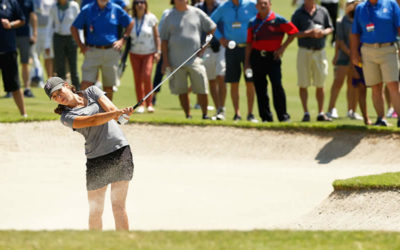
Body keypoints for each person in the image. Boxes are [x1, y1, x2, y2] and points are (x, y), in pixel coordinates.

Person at [44, 76, 134, 230]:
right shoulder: (66, 117)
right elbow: (92, 120)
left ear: (67, 85)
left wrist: (124, 115)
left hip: (120, 151)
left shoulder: (92, 91)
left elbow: (114, 113)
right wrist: (116, 115)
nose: (60, 97)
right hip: (96, 159)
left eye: (59, 91)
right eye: (55, 97)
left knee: (118, 207)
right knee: (95, 210)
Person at [160, 0, 216, 119]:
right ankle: (188, 115)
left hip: (194, 59)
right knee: (182, 90)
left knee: (202, 87)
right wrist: (165, 61)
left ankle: (205, 115)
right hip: (175, 60)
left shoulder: (197, 12)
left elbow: (212, 27)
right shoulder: (168, 15)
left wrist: (204, 46)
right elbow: (164, 40)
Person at [245, 0, 298, 123]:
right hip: (257, 57)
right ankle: (266, 117)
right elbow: (249, 43)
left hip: (273, 58)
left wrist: (282, 48)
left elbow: (293, 32)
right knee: (260, 88)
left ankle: (283, 116)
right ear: (256, 6)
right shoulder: (252, 22)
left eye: (265, 3)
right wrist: (247, 62)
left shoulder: (279, 20)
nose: (263, 5)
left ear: (270, 5)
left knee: (277, 86)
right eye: (260, 3)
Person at [71, 0, 134, 101]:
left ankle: (107, 114)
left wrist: (123, 40)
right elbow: (74, 27)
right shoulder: (88, 9)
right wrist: (81, 46)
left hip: (111, 51)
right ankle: (83, 112)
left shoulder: (115, 9)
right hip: (92, 50)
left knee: (108, 86)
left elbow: (130, 22)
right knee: (86, 83)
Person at [351, 0, 400, 127]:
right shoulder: (360, 8)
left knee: (393, 84)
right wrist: (354, 54)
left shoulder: (391, 4)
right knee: (375, 86)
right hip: (368, 50)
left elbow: (399, 26)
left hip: (388, 49)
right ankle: (381, 118)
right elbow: (355, 32)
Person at [211, 0, 259, 122]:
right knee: (234, 82)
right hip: (232, 49)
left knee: (250, 81)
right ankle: (237, 114)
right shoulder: (224, 7)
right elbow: (210, 22)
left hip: (249, 49)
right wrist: (220, 38)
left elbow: (262, 19)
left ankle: (250, 114)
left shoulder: (251, 5)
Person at [291, 0, 334, 122]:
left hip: (320, 51)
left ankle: (321, 113)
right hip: (304, 51)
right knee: (303, 83)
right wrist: (308, 33)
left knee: (320, 83)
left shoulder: (323, 11)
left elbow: (330, 28)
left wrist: (323, 32)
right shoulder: (298, 13)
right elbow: (293, 33)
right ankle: (306, 113)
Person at [326, 0, 362, 121]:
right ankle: (331, 109)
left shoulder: (360, 20)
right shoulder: (340, 21)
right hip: (344, 56)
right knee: (338, 82)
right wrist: (350, 53)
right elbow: (339, 41)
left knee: (353, 85)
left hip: (357, 57)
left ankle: (352, 110)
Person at [128, 0, 160, 113]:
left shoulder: (151, 18)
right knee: (137, 79)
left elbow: (157, 36)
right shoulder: (131, 19)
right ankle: (140, 104)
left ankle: (149, 103)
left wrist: (158, 51)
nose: (139, 5)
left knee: (146, 76)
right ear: (134, 6)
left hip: (148, 52)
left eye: (142, 2)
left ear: (145, 5)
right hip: (134, 53)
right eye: (137, 3)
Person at [196, 0, 227, 120]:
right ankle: (218, 109)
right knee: (211, 79)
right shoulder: (199, 7)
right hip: (206, 48)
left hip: (221, 45)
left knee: (221, 75)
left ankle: (221, 108)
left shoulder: (221, 6)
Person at [0, 0, 28, 117]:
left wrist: (10, 24)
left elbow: (22, 20)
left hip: (8, 49)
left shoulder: (11, 2)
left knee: (14, 85)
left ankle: (24, 115)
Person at [46, 0, 80, 90]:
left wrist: (81, 42)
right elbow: (50, 25)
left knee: (74, 69)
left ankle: (78, 93)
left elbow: (79, 25)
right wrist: (47, 44)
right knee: (60, 68)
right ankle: (62, 93)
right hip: (58, 38)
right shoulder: (53, 6)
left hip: (71, 38)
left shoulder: (74, 6)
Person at [30, 0, 54, 87]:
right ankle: (38, 78)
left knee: (48, 55)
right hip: (34, 29)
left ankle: (50, 80)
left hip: (48, 29)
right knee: (35, 55)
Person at [16, 0, 37, 98]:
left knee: (25, 63)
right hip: (10, 34)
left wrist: (35, 34)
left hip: (25, 35)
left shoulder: (29, 1)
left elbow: (33, 17)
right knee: (10, 63)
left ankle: (27, 89)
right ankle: (12, 89)